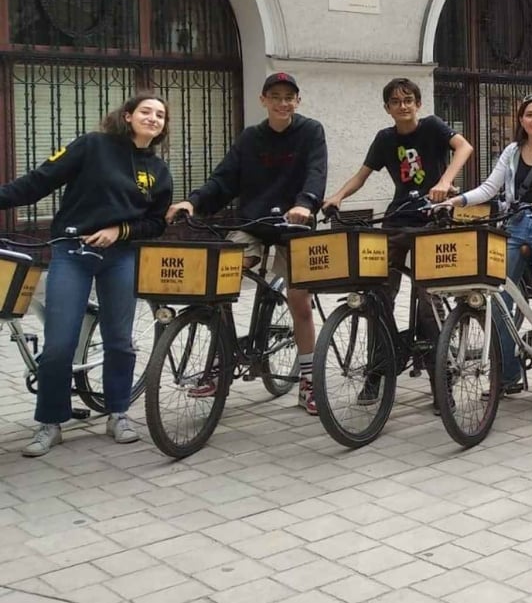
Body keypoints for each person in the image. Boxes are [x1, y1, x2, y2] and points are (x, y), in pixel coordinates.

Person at [3, 95, 173, 457]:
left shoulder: (159, 171)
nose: (153, 118)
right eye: (145, 111)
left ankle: (118, 414)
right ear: (127, 116)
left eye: (160, 115)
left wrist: (119, 231)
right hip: (73, 251)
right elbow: (37, 182)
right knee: (59, 344)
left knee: (119, 341)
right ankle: (50, 423)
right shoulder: (93, 145)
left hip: (121, 256)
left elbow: (156, 223)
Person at [168, 73, 326, 414]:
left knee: (299, 300)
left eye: (289, 97)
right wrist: (192, 202)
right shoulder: (250, 138)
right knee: (221, 279)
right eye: (275, 96)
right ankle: (221, 362)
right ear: (263, 100)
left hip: (294, 224)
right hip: (253, 223)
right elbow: (223, 179)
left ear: (298, 101)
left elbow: (316, 172)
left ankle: (309, 381)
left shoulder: (310, 131)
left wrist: (305, 203)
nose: (282, 103)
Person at [321, 78, 473, 386]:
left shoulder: (432, 127)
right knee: (377, 293)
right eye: (395, 102)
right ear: (387, 108)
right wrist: (338, 196)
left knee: (427, 297)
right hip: (398, 218)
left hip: (432, 220)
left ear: (418, 104)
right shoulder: (385, 139)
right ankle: (380, 367)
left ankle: (440, 373)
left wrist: (444, 182)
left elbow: (464, 147)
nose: (402, 106)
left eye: (408, 100)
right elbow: (362, 175)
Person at [442, 94, 532, 415]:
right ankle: (508, 375)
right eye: (530, 114)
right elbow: (490, 188)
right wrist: (457, 201)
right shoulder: (512, 151)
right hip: (514, 225)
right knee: (497, 301)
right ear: (521, 120)